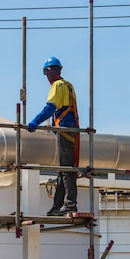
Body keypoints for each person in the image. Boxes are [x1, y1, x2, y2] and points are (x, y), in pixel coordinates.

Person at [27, 57, 79, 216]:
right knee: (63, 168)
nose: (48, 76)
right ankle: (58, 205)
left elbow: (50, 108)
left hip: (64, 130)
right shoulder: (68, 85)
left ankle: (70, 203)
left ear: (49, 72)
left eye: (47, 73)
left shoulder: (57, 86)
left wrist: (35, 121)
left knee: (66, 168)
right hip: (69, 129)